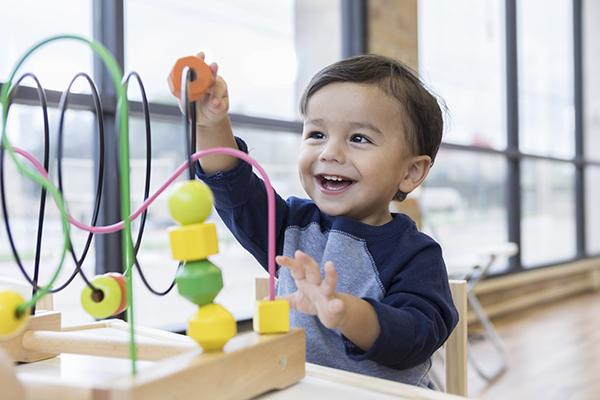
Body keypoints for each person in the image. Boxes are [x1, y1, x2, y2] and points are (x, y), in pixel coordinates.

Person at [190, 53, 458, 388]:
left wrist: (345, 313)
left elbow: (416, 338)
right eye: (316, 134)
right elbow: (232, 184)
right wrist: (210, 123)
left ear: (411, 172)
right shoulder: (289, 226)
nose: (330, 152)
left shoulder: (416, 255)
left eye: (359, 138)